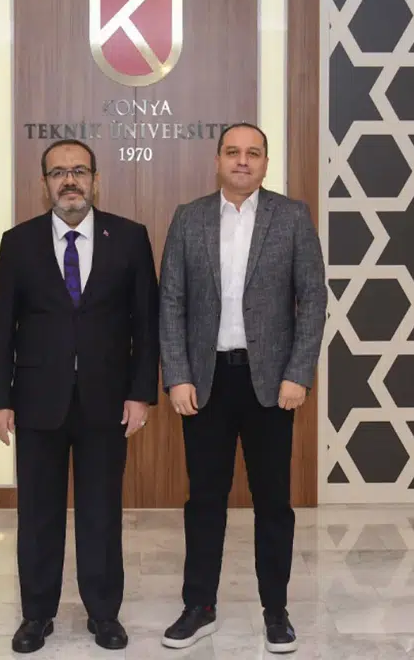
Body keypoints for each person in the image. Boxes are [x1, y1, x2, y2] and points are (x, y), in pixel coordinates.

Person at [0, 138, 159, 653]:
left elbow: (146, 326)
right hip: (37, 400)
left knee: (101, 511)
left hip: (108, 400)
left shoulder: (129, 238)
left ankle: (103, 613)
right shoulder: (18, 242)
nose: (70, 181)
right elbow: (1, 328)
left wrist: (141, 393)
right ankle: (36, 615)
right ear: (45, 184)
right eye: (59, 172)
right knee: (38, 513)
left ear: (95, 180)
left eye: (79, 171)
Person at [157, 122, 327, 654]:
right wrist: (177, 374)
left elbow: (313, 299)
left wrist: (299, 373)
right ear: (217, 160)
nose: (242, 161)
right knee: (204, 500)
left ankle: (275, 611)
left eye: (253, 153)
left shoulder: (292, 216)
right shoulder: (189, 218)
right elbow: (171, 302)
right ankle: (199, 606)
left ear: (265, 163)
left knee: (273, 501)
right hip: (205, 381)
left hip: (271, 383)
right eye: (233, 152)